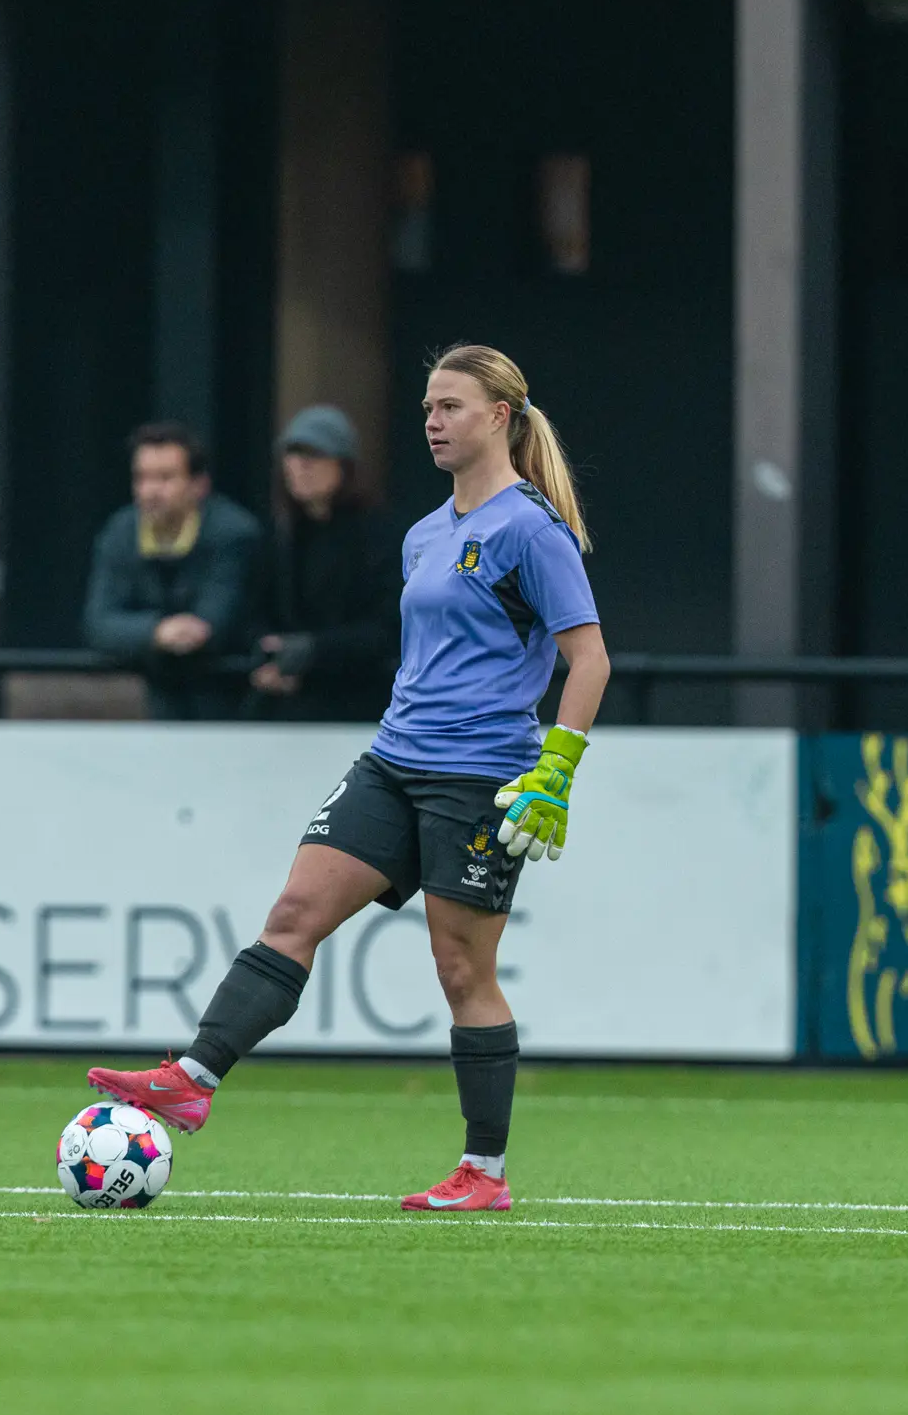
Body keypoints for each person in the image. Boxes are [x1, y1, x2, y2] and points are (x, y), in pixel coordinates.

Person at [87, 344, 610, 1212]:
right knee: (294, 914)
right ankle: (193, 1079)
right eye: (428, 407)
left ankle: (484, 1172)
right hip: (394, 760)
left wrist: (556, 769)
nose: (433, 421)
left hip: (479, 775)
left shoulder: (531, 528)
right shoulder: (425, 534)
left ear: (500, 418)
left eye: (450, 407)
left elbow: (587, 659)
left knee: (461, 970)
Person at [82, 422, 265, 720]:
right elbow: (98, 623)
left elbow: (215, 623)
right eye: (142, 478)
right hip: (157, 700)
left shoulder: (234, 533)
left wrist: (188, 631)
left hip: (229, 702)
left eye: (165, 478)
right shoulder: (120, 531)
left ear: (199, 485)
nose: (150, 491)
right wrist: (156, 632)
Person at [249, 405, 401, 723]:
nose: (301, 466)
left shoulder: (377, 536)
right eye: (293, 455)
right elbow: (254, 610)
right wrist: (269, 657)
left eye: (315, 455)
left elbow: (386, 627)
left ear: (343, 465)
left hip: (358, 699)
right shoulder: (279, 534)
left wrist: (313, 650)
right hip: (284, 698)